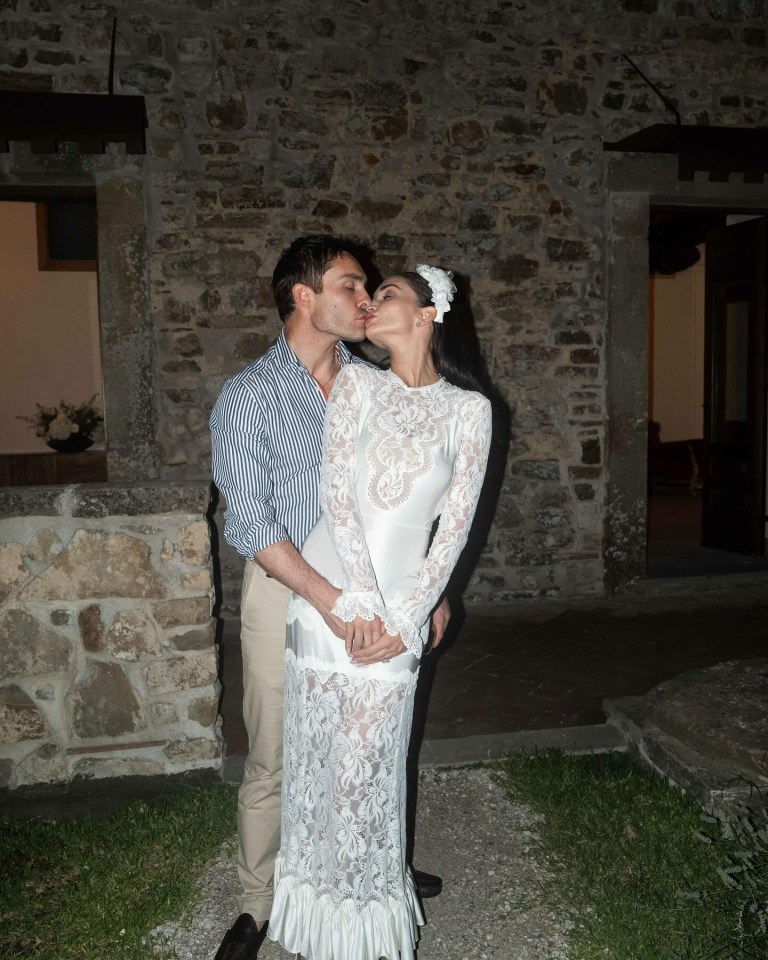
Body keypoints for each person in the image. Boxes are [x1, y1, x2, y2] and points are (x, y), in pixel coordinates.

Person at [209, 236, 449, 960]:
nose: (367, 298)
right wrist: (333, 602)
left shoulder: (375, 383)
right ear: (303, 296)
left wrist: (430, 592)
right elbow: (250, 523)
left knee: (366, 747)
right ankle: (257, 906)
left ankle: (374, 871)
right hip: (286, 588)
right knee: (277, 753)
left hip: (383, 589)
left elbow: (422, 485)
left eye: (371, 287)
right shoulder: (249, 396)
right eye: (351, 284)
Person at [267, 264, 492, 960]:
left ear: (429, 314)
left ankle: (363, 937)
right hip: (334, 596)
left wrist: (405, 618)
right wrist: (358, 603)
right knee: (317, 768)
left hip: (400, 613)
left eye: (386, 294)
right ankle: (313, 930)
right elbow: (337, 496)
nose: (369, 304)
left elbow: (454, 528)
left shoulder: (469, 411)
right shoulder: (357, 386)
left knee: (369, 773)